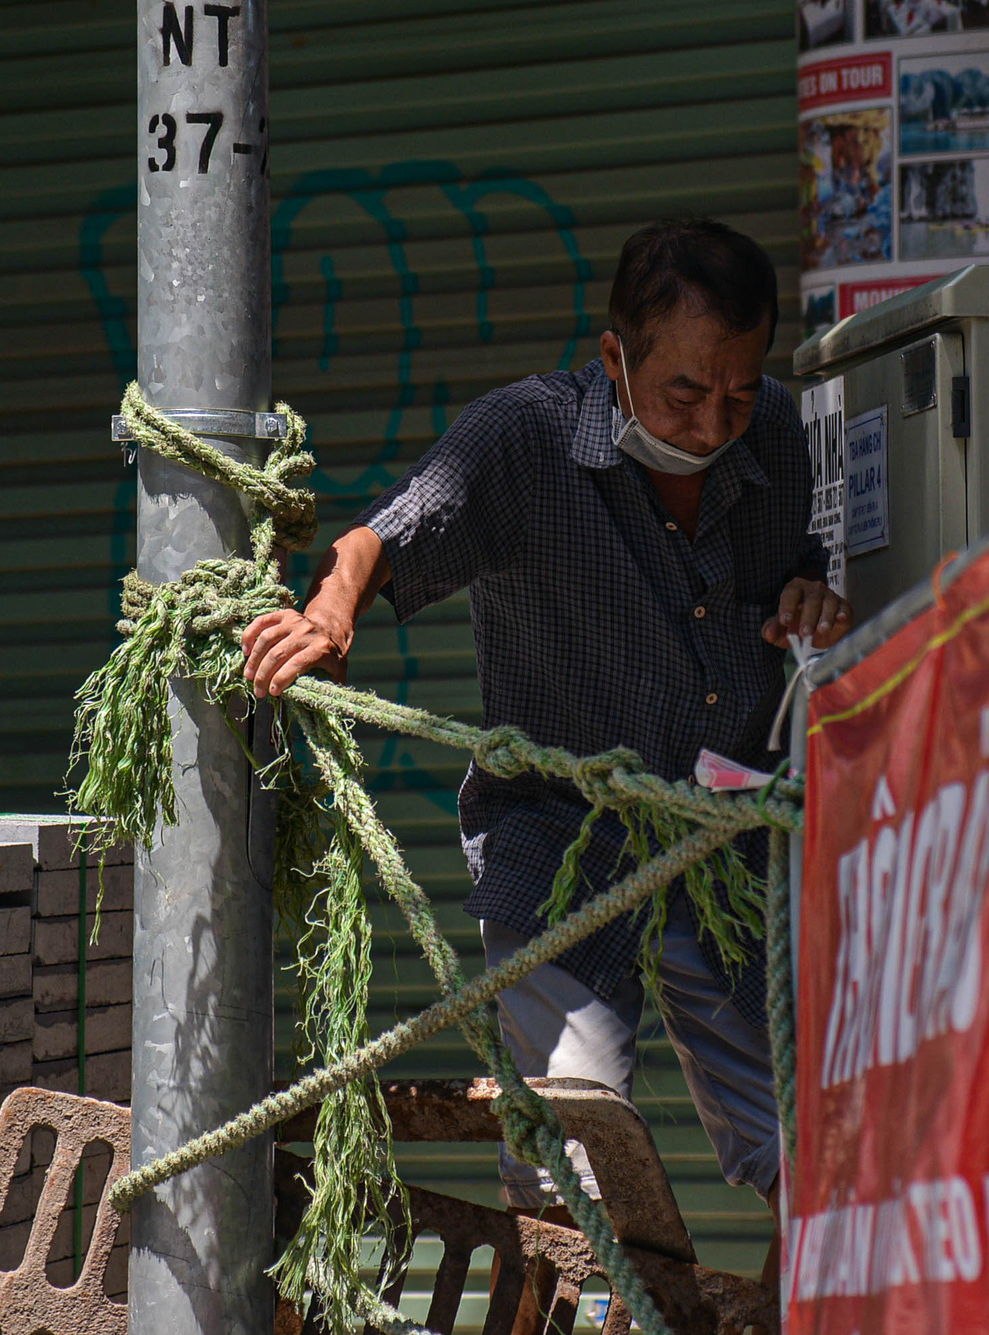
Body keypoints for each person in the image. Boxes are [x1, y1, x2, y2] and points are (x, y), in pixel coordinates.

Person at [239, 219, 850, 1319]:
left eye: (737, 390)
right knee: (568, 1145)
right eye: (680, 394)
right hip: (560, 845)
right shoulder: (523, 440)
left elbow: (835, 576)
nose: (713, 423)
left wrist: (818, 603)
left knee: (820, 1146)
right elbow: (383, 538)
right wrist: (329, 611)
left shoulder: (790, 442)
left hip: (728, 851)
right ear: (612, 357)